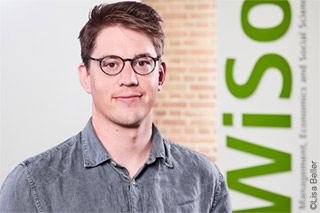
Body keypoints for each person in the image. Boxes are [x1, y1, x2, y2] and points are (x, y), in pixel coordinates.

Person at [0, 1, 231, 212]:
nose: (128, 78)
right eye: (111, 64)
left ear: (160, 76)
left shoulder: (205, 179)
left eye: (142, 63)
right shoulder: (33, 183)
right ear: (86, 77)